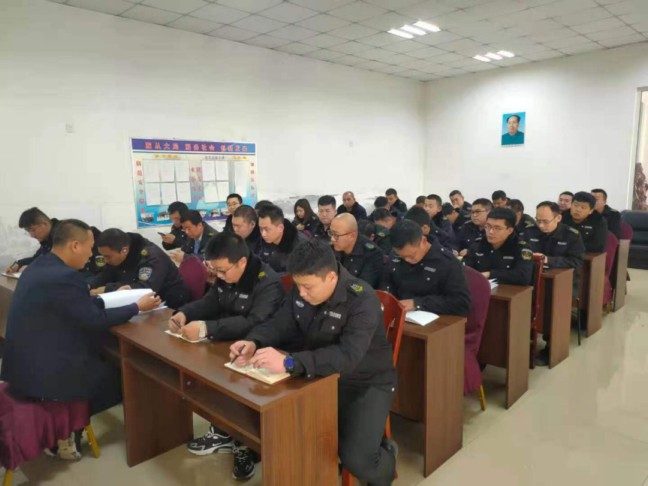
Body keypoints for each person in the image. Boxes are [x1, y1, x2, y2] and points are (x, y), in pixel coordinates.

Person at [229, 240, 398, 485]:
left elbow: (347, 356)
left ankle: (387, 459)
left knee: (358, 459)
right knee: (286, 427)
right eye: (298, 286)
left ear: (331, 277)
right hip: (317, 374)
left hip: (364, 382)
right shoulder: (302, 288)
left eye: (308, 287)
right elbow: (281, 323)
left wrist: (290, 363)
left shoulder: (362, 299)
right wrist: (254, 340)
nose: (302, 293)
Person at [1, 220, 161, 458]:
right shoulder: (65, 276)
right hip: (44, 373)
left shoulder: (40, 266)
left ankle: (65, 427)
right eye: (90, 247)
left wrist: (111, 298)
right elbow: (93, 319)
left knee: (103, 355)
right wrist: (136, 307)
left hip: (20, 364)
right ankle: (65, 430)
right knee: (124, 377)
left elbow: (75, 304)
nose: (91, 255)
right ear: (75, 245)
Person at [169, 232, 284, 479]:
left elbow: (256, 321)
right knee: (208, 375)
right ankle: (223, 431)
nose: (218, 276)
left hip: (259, 349)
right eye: (214, 270)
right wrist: (184, 313)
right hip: (227, 341)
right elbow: (212, 301)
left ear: (241, 262)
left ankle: (246, 444)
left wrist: (206, 329)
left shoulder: (267, 282)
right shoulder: (227, 274)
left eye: (222, 271)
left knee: (238, 388)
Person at [521, 202, 586, 366]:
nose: (541, 225)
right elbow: (521, 253)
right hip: (533, 278)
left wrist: (548, 260)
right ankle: (524, 340)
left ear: (558, 218)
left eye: (545, 221)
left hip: (563, 283)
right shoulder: (529, 231)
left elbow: (576, 261)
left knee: (551, 305)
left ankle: (551, 346)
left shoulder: (571, 235)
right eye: (538, 220)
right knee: (520, 301)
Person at [382, 220, 471, 316]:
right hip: (399, 314)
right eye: (402, 257)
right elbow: (387, 280)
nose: (407, 260)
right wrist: (386, 295)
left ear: (423, 241)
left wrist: (417, 303)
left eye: (411, 256)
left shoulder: (447, 263)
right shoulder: (396, 255)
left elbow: (461, 303)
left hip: (434, 319)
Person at [89, 229, 190, 309]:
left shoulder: (152, 256)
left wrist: (107, 289)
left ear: (124, 250)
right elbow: (106, 274)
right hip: (141, 304)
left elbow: (146, 289)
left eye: (107, 256)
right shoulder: (118, 250)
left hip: (169, 303)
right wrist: (89, 285)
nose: (105, 260)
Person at [5, 207, 103, 278]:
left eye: (33, 230)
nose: (32, 235)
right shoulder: (47, 239)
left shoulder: (62, 234)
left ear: (44, 224)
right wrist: (19, 264)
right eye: (28, 231)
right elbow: (39, 257)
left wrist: (34, 269)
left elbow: (59, 264)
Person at [464, 208, 533, 285]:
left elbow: (524, 276)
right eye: (488, 226)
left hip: (509, 290)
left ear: (510, 230)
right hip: (480, 288)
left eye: (497, 228)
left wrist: (490, 274)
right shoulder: (477, 245)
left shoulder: (522, 248)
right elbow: (466, 271)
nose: (490, 231)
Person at [330, 214, 384, 288]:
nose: (332, 239)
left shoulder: (372, 254)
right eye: (331, 233)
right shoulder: (333, 247)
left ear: (351, 236)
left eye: (336, 235)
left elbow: (361, 288)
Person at [257, 204, 306, 274]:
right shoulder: (263, 241)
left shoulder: (301, 245)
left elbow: (301, 274)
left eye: (267, 229)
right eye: (260, 229)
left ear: (280, 228)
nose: (263, 234)